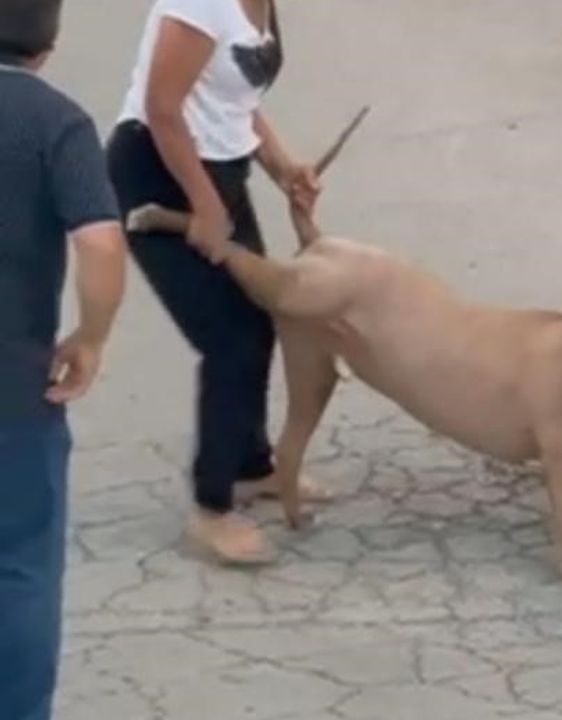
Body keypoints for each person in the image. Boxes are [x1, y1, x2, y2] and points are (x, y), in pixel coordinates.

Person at [106, 0, 324, 565]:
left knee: (259, 317)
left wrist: (282, 167)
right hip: (156, 175)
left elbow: (236, 99)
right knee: (231, 339)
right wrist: (204, 205)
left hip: (218, 172)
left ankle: (250, 466)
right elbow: (162, 107)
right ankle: (212, 508)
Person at [0, 1, 128, 717]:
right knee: (18, 570)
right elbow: (102, 243)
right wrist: (91, 337)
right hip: (14, 393)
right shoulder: (57, 123)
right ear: (48, 45)